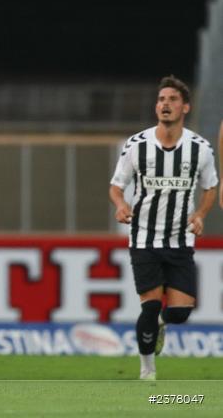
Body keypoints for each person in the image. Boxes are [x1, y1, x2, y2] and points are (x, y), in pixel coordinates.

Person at [109, 76, 218, 381]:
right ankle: (147, 372)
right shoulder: (137, 145)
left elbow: (211, 186)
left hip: (180, 239)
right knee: (150, 304)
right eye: (161, 100)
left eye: (172, 99)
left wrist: (200, 214)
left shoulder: (200, 149)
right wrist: (120, 204)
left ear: (185, 107)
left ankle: (160, 323)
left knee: (180, 313)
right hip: (143, 237)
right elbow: (117, 186)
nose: (165, 104)